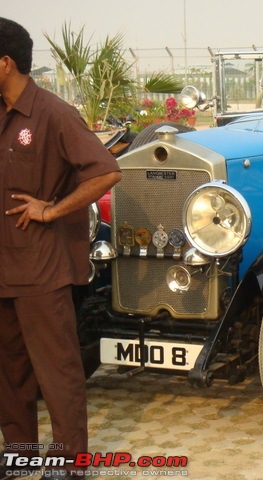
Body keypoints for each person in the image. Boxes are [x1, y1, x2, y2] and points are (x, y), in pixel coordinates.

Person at [0, 17, 122, 480]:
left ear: (5, 62)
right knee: (9, 375)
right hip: (3, 267)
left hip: (41, 270)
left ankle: (71, 465)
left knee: (58, 373)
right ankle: (21, 455)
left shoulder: (53, 114)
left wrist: (51, 210)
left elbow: (106, 171)